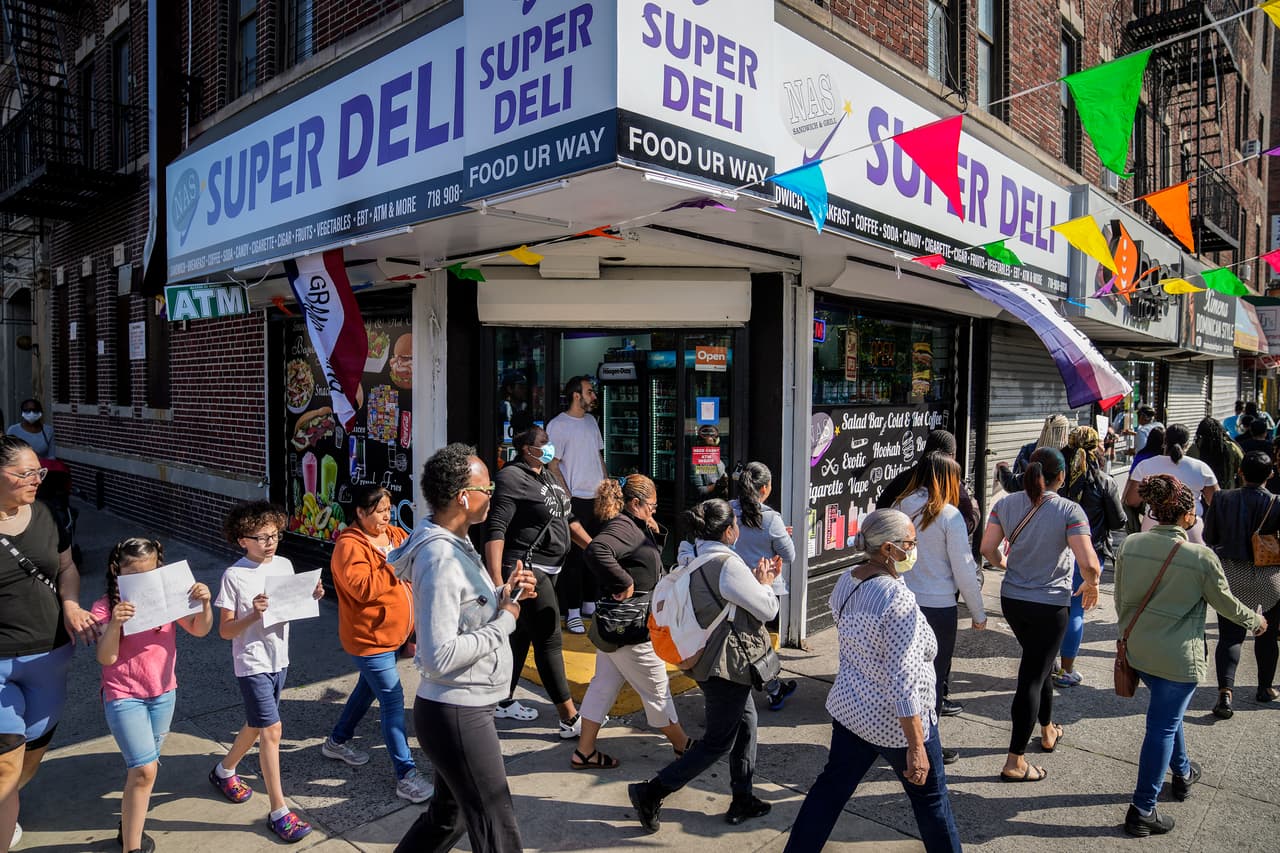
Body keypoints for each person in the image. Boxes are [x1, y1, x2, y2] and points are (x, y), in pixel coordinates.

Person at [782, 509, 961, 853]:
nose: (915, 548)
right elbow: (904, 682)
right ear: (889, 550)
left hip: (853, 713)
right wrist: (916, 746)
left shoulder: (848, 580)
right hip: (897, 725)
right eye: (911, 542)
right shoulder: (897, 599)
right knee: (933, 804)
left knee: (829, 792)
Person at [388, 444, 534, 853]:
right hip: (457, 712)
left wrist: (506, 592)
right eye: (487, 486)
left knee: (447, 819)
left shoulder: (457, 542)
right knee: (496, 826)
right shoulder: (439, 557)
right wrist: (506, 620)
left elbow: (467, 611)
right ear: (463, 497)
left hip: (462, 707)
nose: (493, 493)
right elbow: (437, 657)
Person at [1115, 474, 1266, 837]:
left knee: (1168, 716)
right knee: (1162, 725)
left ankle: (1182, 773)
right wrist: (1256, 620)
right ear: (1186, 514)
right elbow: (1226, 604)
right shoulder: (1200, 557)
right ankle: (1142, 809)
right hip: (1178, 658)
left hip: (1139, 651)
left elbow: (1120, 600)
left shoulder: (1131, 544)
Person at [628, 499, 780, 833]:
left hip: (701, 655)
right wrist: (766, 582)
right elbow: (767, 609)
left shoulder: (689, 554)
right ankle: (651, 792)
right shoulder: (727, 565)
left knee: (747, 724)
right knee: (717, 742)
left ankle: (743, 796)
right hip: (723, 664)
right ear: (729, 531)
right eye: (736, 524)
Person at [980, 447, 1101, 782]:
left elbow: (987, 549)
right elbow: (1089, 563)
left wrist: (1007, 566)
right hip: (1050, 605)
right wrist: (1092, 584)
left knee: (1042, 665)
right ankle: (1015, 761)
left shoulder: (1004, 504)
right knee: (1033, 675)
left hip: (1013, 601)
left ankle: (1047, 730)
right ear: (1061, 477)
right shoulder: (1069, 510)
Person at [0, 436, 96, 851]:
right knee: (6, 765)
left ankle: (7, 808)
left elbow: (66, 565)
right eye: (24, 473)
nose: (35, 480)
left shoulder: (47, 514)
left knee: (30, 758)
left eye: (38, 472)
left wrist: (71, 604)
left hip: (50, 654)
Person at [210, 501, 324, 843]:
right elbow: (226, 631)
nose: (270, 543)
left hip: (279, 659)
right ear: (242, 540)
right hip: (252, 662)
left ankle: (223, 770)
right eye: (261, 537)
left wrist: (312, 595)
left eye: (274, 535)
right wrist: (253, 615)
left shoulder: (285, 564)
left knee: (256, 724)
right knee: (272, 729)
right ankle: (279, 811)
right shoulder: (234, 576)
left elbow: (293, 606)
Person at [93, 537, 213, 853]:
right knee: (145, 769)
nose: (144, 583)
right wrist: (115, 623)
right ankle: (131, 848)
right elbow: (105, 658)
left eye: (150, 573)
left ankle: (128, 825)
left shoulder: (168, 600)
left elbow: (200, 629)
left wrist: (205, 603)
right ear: (116, 571)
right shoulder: (105, 607)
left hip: (163, 693)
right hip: (123, 695)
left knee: (145, 769)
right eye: (135, 575)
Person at [320, 485, 432, 803]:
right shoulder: (349, 547)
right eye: (380, 510)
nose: (387, 515)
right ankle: (406, 775)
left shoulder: (395, 534)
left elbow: (416, 554)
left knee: (366, 690)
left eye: (388, 508)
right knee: (393, 700)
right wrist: (396, 564)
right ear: (360, 512)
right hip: (368, 639)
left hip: (393, 636)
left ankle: (337, 741)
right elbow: (364, 589)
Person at [572, 475, 691, 770]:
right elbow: (597, 550)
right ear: (635, 503)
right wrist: (622, 580)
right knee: (657, 689)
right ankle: (683, 746)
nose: (654, 510)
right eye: (650, 506)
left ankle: (585, 751)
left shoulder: (633, 524)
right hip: (631, 629)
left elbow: (646, 560)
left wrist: (651, 529)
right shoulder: (623, 527)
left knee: (603, 686)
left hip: (616, 627)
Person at [484, 426, 591, 736]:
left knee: (521, 637)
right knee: (548, 638)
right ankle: (570, 719)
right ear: (526, 448)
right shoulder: (512, 477)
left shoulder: (548, 476)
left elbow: (568, 520)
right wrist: (497, 581)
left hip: (552, 568)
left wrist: (596, 548)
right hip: (526, 569)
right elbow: (496, 528)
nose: (549, 447)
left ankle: (502, 701)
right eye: (543, 443)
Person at [893, 452, 986, 765]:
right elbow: (964, 568)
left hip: (901, 602)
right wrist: (978, 612)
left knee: (902, 674)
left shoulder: (901, 507)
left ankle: (900, 737)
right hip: (938, 607)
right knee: (931, 680)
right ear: (947, 480)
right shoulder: (949, 516)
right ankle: (927, 744)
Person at [1201, 452, 1280, 719]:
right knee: (1268, 634)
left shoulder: (1222, 498)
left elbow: (1208, 535)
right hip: (1269, 576)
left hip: (1232, 574)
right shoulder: (1277, 503)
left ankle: (1225, 692)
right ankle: (1265, 688)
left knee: (1230, 636)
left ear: (1240, 473)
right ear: (1270, 474)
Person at [1054, 426, 1125, 688]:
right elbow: (1118, 521)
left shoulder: (1058, 478)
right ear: (1097, 447)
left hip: (1056, 550)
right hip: (1089, 553)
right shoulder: (1104, 481)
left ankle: (1049, 663)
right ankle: (1066, 670)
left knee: (1054, 607)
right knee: (1075, 611)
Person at [731, 462, 799, 710]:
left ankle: (773, 688)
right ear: (766, 488)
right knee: (756, 639)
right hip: (761, 587)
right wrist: (780, 536)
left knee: (747, 637)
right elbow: (789, 555)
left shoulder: (728, 511)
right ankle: (771, 689)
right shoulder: (770, 518)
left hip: (731, 584)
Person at [547, 375, 607, 634]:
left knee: (596, 553)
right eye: (590, 391)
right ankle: (571, 611)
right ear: (576, 395)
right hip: (575, 500)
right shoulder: (558, 426)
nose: (594, 396)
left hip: (597, 499)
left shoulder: (592, 422)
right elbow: (552, 464)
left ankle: (590, 604)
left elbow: (598, 457)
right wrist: (567, 496)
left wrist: (607, 488)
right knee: (574, 557)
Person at [1126, 424, 1217, 544]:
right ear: (1187, 444)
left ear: (1164, 441)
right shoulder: (1201, 468)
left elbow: (1132, 501)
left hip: (1152, 527)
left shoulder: (1145, 465)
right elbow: (1215, 501)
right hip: (1189, 528)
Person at [876, 430, 979, 533]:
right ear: (952, 456)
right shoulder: (953, 485)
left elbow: (881, 510)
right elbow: (965, 526)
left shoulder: (904, 478)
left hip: (904, 545)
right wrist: (975, 512)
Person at [1188, 417, 1243, 491]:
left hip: (1201, 492)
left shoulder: (1194, 448)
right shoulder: (1231, 447)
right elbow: (1242, 468)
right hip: (1227, 492)